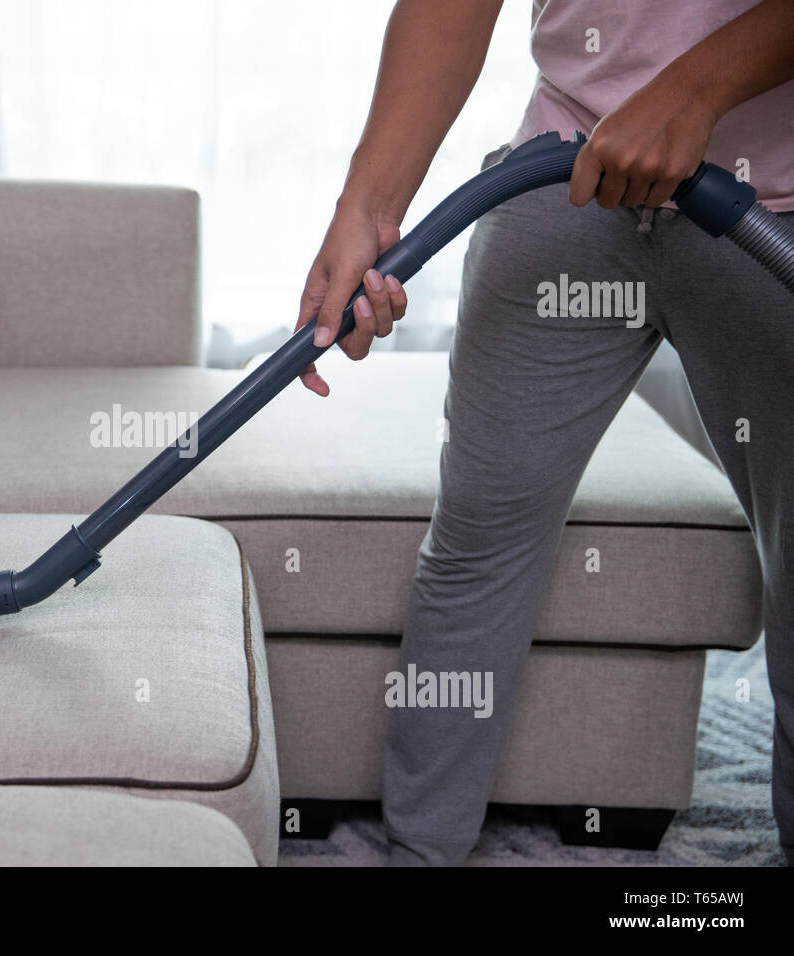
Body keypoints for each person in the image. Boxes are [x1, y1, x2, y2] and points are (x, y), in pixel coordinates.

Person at [298, 0, 794, 865]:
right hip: (566, 175)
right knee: (478, 538)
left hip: (773, 208)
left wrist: (694, 89)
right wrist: (365, 207)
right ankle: (419, 850)